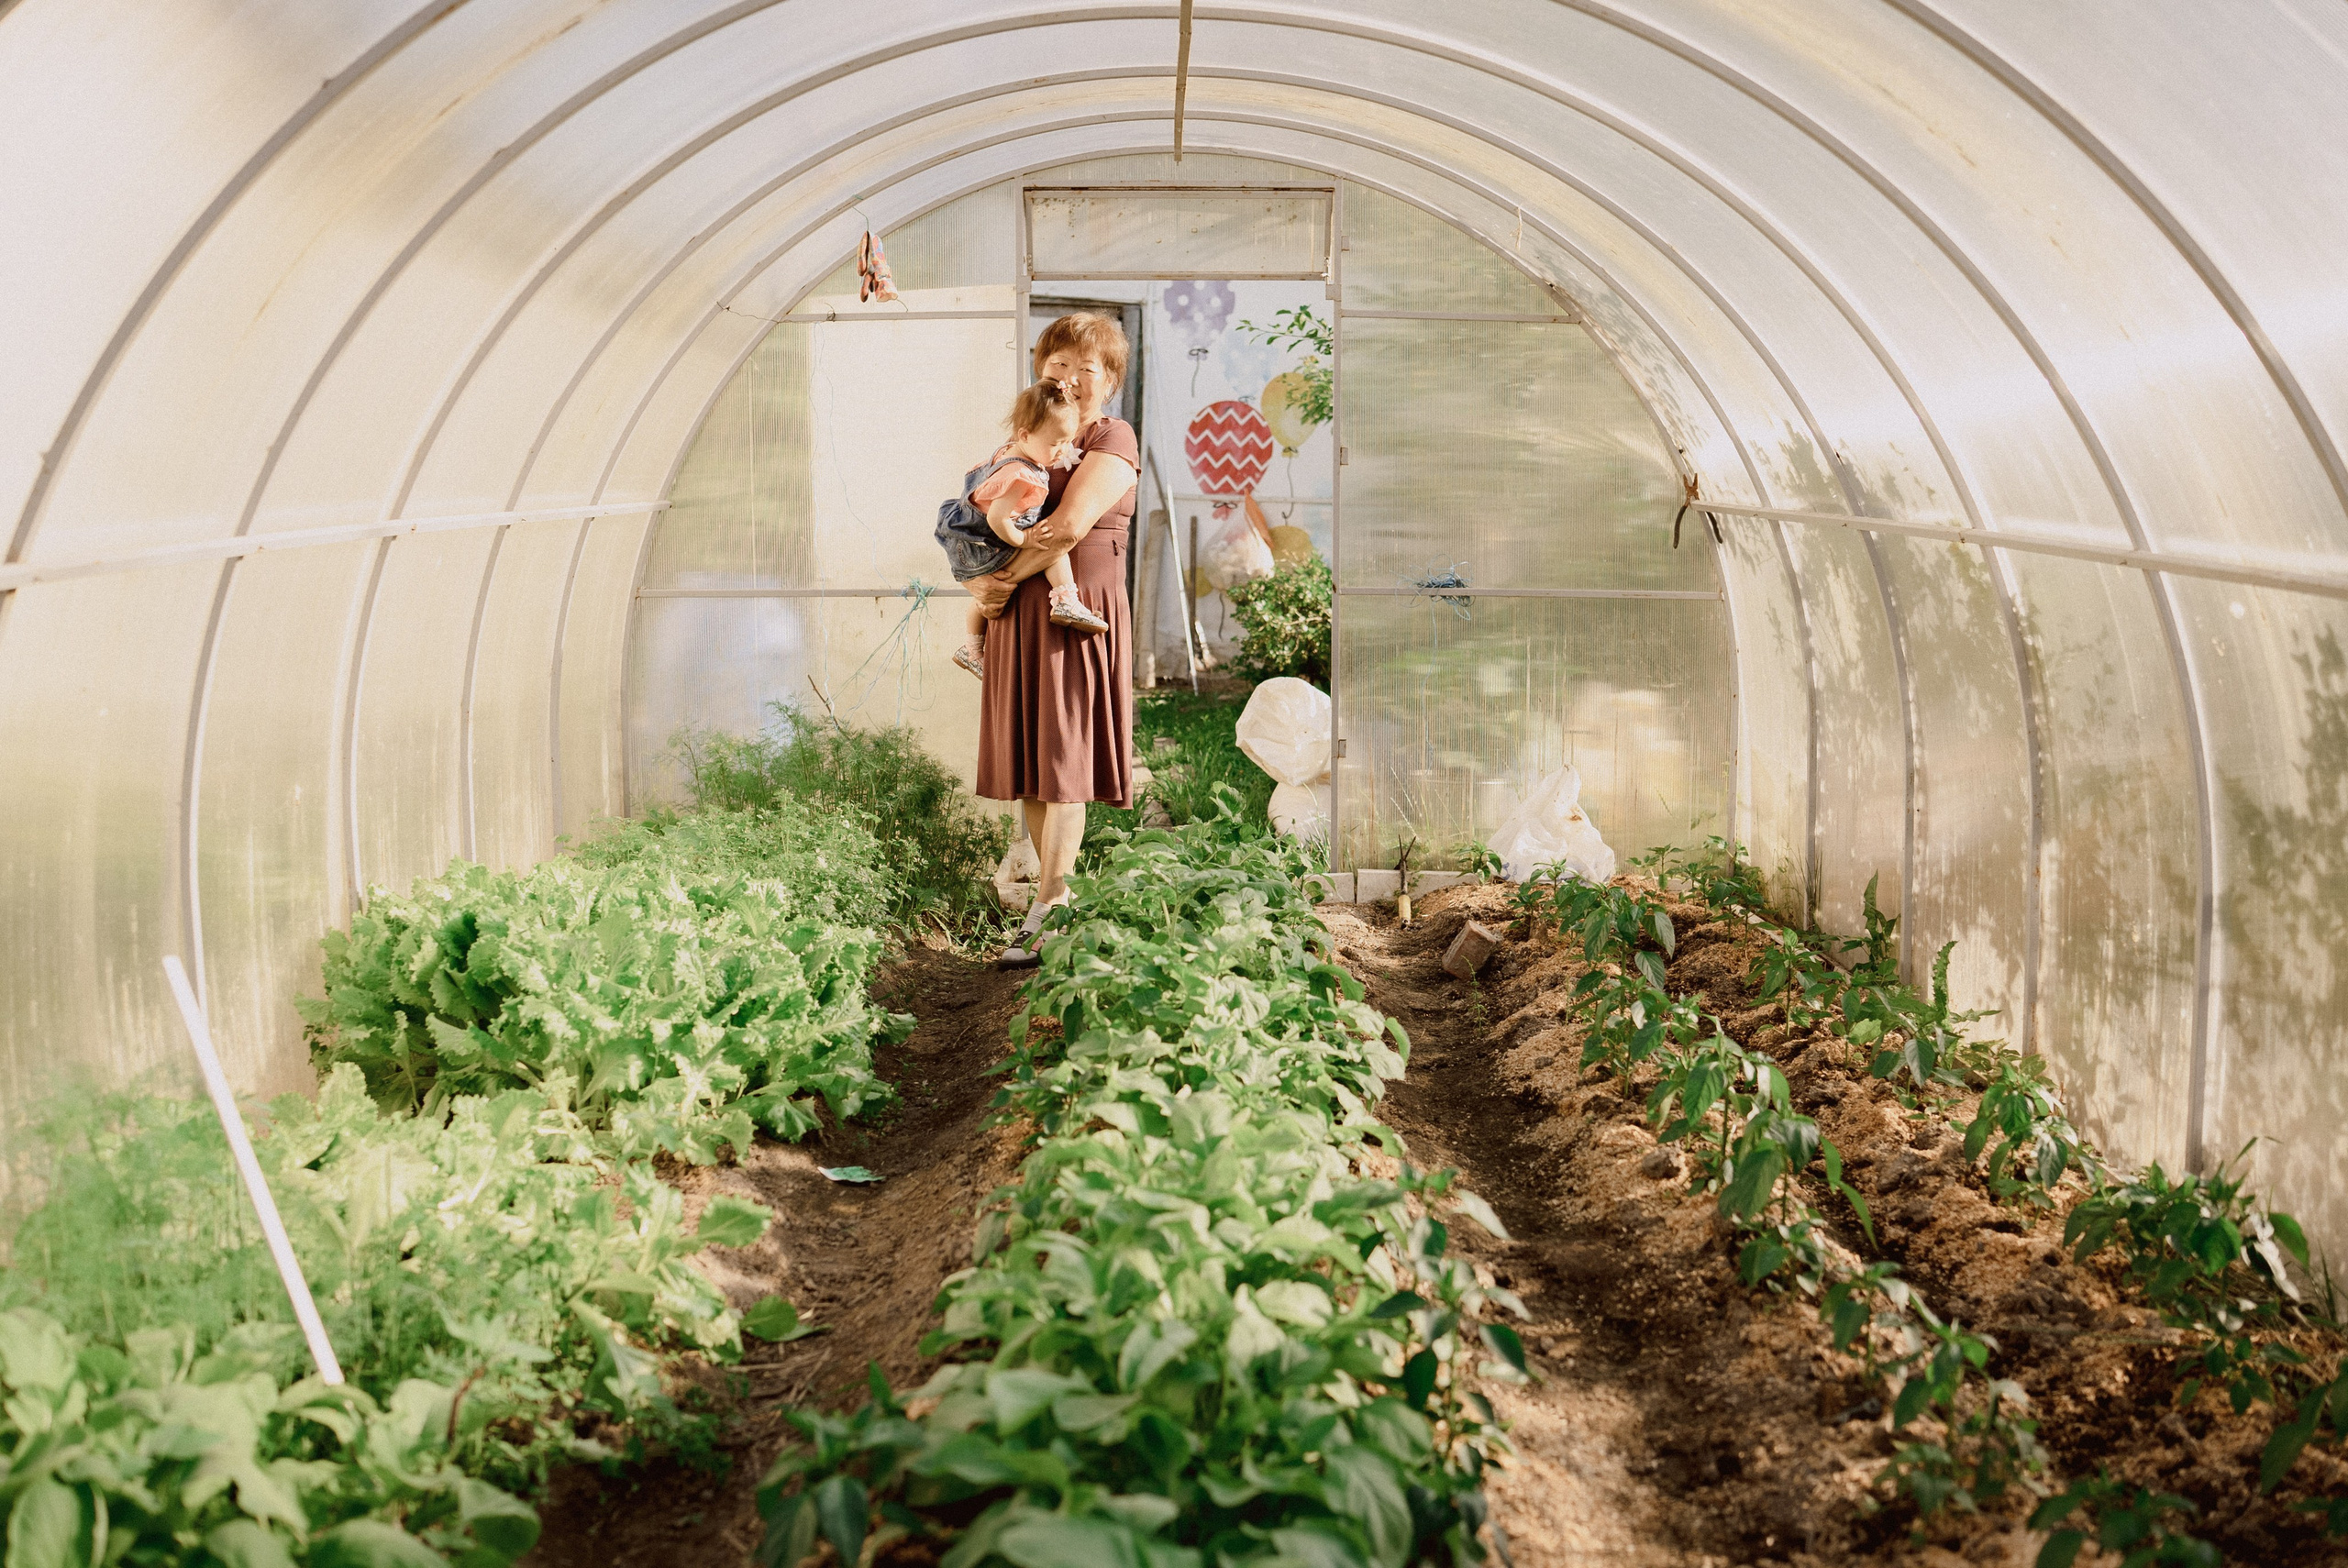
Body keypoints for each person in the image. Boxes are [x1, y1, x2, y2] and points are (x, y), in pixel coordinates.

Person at [969, 312, 1139, 968]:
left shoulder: (1112, 437)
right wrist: (980, 589)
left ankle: (1049, 908)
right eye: (1057, 363)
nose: (1069, 376)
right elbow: (980, 519)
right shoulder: (1030, 434)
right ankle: (1058, 904)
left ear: (1111, 380)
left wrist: (1002, 582)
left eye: (1086, 367)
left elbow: (1067, 528)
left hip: (1074, 613)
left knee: (1065, 764)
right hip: (1019, 617)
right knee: (1035, 770)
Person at [936, 379, 1109, 680]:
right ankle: (1066, 600)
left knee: (984, 601)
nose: (1061, 451)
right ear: (1025, 435)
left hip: (969, 543)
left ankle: (972, 650)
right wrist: (1024, 539)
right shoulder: (1020, 475)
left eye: (1067, 442)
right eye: (1055, 444)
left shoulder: (1010, 451)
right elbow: (997, 519)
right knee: (1052, 548)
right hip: (988, 542)